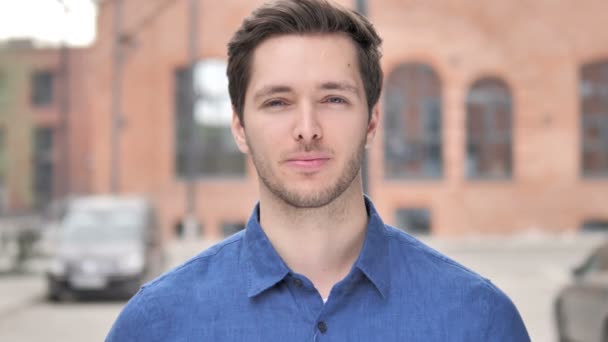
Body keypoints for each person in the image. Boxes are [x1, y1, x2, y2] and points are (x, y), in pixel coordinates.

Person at [106, 0, 530, 340]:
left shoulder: (479, 321)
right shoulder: (155, 325)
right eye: (277, 102)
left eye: (333, 99)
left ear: (372, 121)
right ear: (239, 127)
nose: (307, 130)